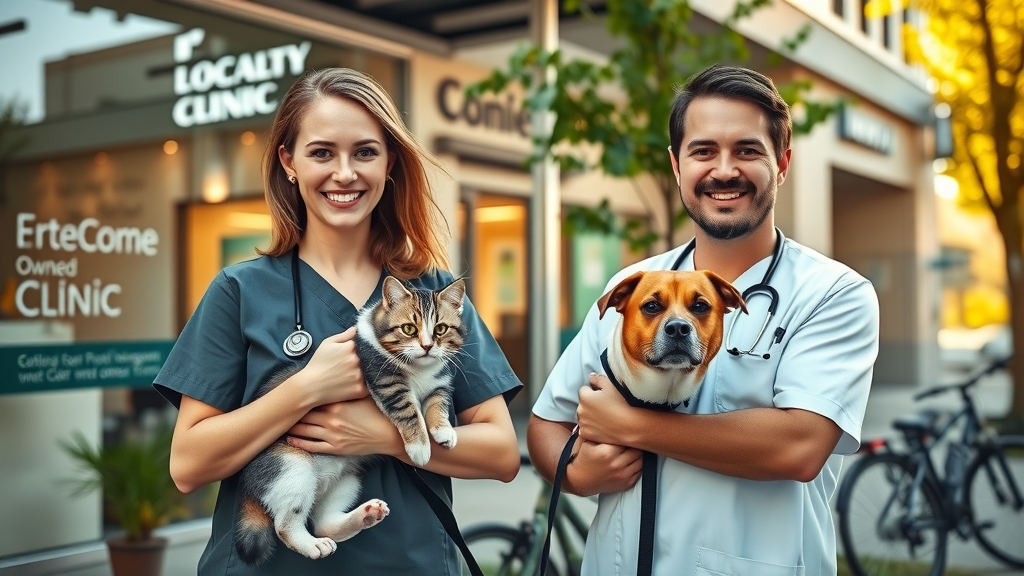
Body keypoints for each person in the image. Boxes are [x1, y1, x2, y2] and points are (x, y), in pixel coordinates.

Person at [154, 67, 522, 574]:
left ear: (390, 162)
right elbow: (188, 464)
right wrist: (304, 389)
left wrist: (377, 433)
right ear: (289, 162)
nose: (344, 173)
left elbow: (502, 453)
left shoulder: (434, 295)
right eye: (322, 152)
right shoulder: (240, 291)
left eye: (365, 152)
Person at [529, 64, 880, 576]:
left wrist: (633, 425)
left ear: (781, 164)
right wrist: (579, 474)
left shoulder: (833, 295)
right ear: (676, 165)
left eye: (747, 150)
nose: (723, 170)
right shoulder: (632, 288)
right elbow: (547, 423)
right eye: (703, 151)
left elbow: (800, 446)